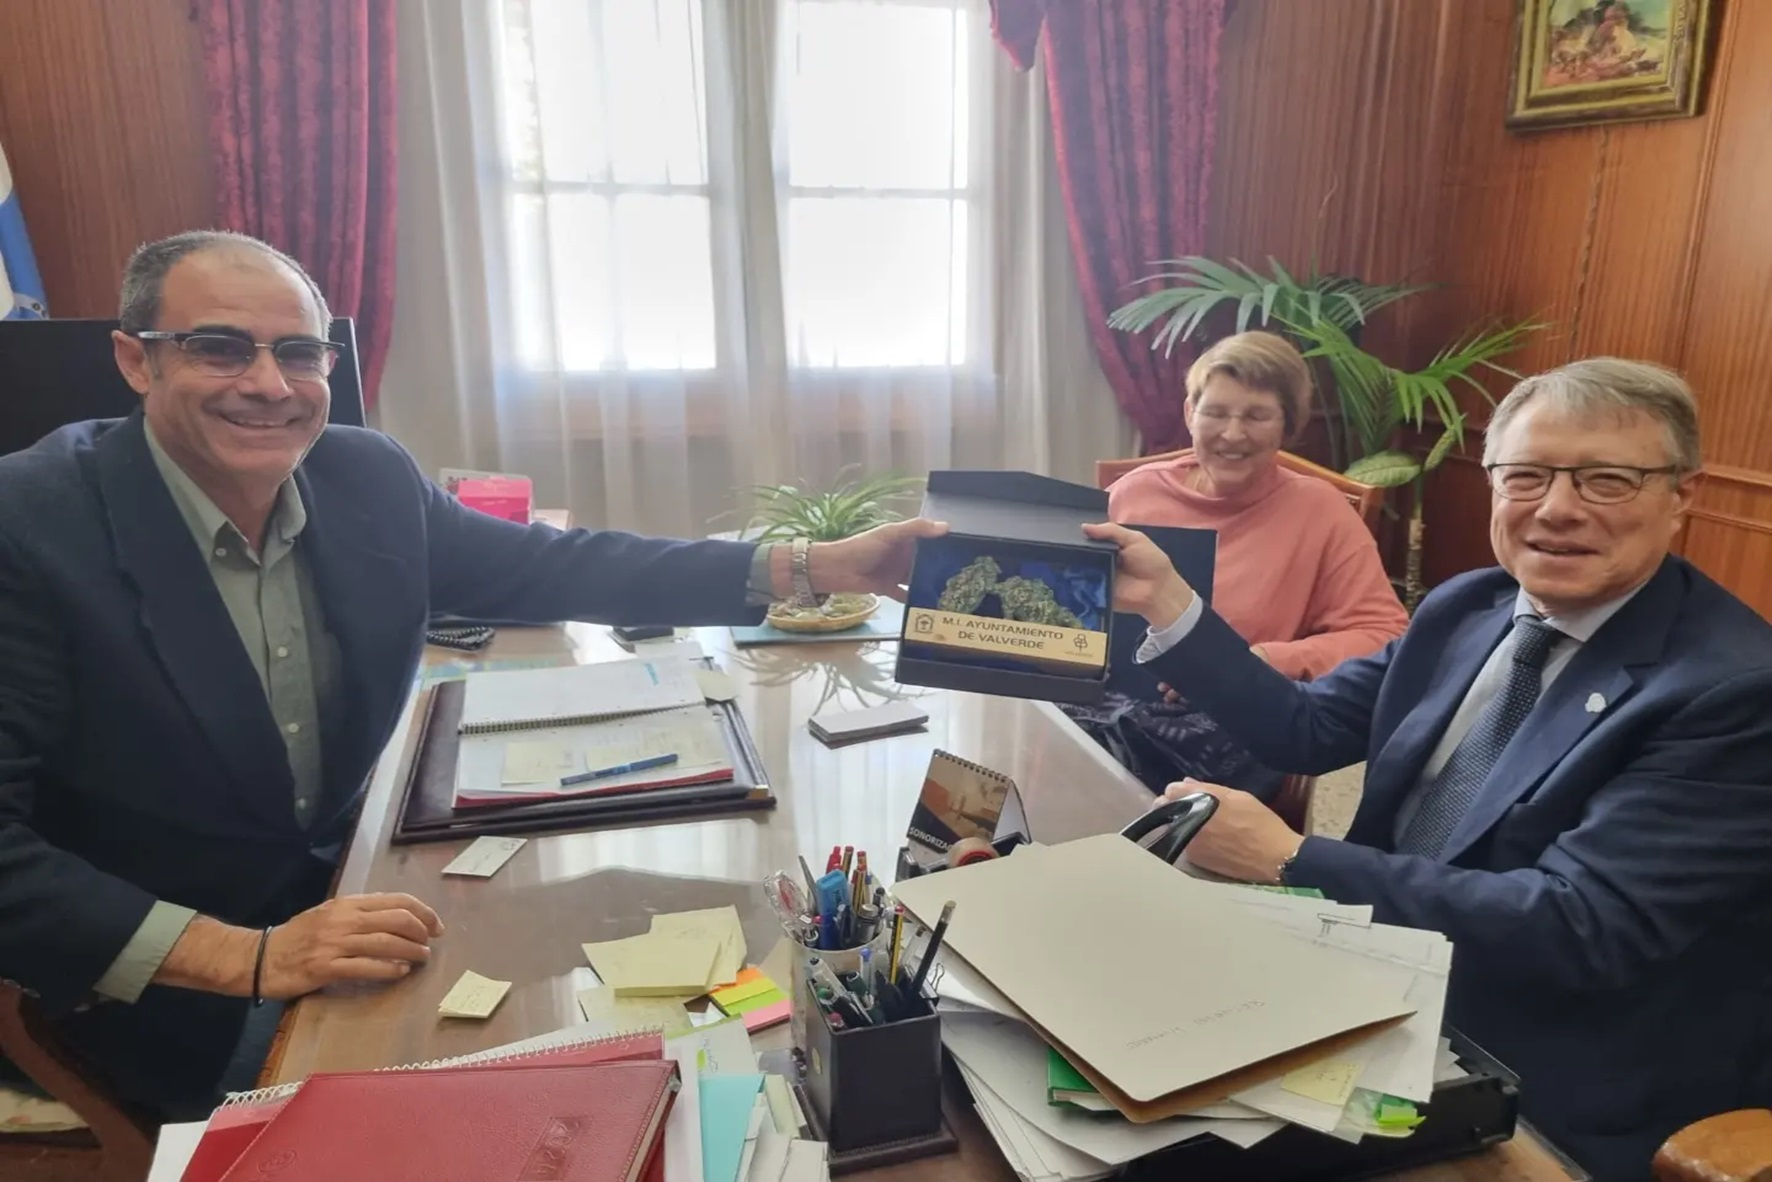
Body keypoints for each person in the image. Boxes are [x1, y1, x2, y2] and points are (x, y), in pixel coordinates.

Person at [0, 230, 944, 1118]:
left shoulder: (364, 478)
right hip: (176, 988)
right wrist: (246, 956)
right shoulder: (29, 527)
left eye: (298, 353)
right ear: (136, 361)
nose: (268, 385)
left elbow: (563, 568)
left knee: (657, 1054)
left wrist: (820, 566)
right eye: (218, 348)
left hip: (360, 903)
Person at [1085, 358, 1772, 1181]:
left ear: (1682, 494)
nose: (1557, 509)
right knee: (1086, 1062)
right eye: (1527, 476)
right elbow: (1305, 730)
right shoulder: (1468, 607)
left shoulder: (1734, 690)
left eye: (1607, 481)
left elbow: (1581, 928)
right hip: (1366, 975)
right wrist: (1168, 604)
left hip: (1534, 1063)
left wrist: (1291, 858)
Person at [1063, 331, 1406, 801]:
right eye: (1216, 412)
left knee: (1090, 788)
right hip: (1107, 703)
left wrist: (1263, 660)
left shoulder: (1321, 512)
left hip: (1229, 720)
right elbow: (1083, 602)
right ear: (1190, 413)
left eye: (1256, 416)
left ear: (1288, 425)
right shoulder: (1136, 491)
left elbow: (1385, 636)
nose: (1232, 434)